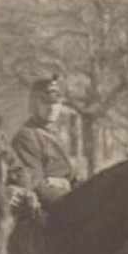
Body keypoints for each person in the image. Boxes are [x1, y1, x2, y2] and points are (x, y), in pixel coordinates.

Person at [10, 75, 78, 205]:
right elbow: (35, 184)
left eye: (56, 102)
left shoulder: (56, 135)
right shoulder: (27, 137)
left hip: (68, 202)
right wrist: (72, 201)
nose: (52, 108)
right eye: (45, 102)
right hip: (47, 208)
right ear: (35, 104)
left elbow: (72, 176)